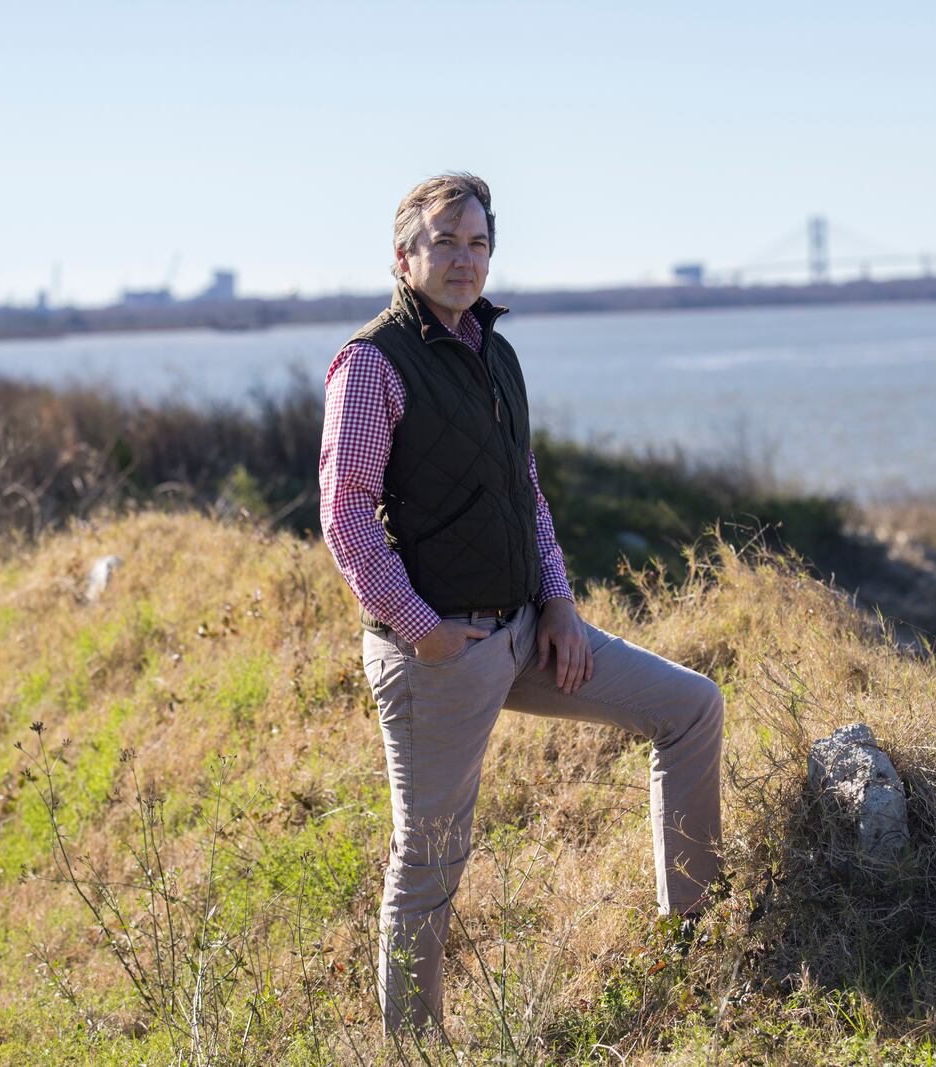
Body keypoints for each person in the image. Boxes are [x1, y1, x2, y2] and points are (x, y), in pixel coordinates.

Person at [317, 173, 724, 1036]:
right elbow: (344, 512)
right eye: (444, 242)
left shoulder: (496, 353)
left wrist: (561, 606)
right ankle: (412, 1050)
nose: (464, 260)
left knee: (692, 706)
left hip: (526, 630)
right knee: (428, 862)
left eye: (477, 242)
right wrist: (421, 630)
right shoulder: (373, 363)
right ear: (403, 258)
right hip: (439, 652)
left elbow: (525, 491)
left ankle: (692, 942)